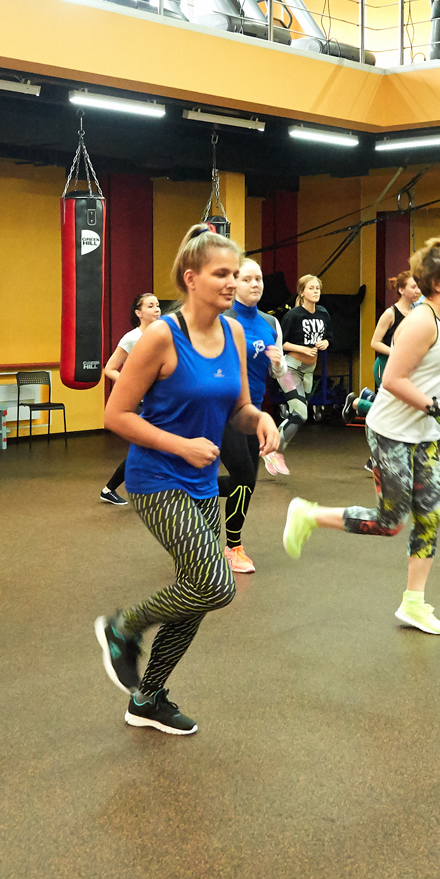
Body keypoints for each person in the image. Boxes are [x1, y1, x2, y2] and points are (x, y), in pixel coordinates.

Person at [93, 227, 279, 736]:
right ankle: (123, 627)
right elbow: (116, 415)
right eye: (222, 274)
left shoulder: (234, 333)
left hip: (200, 482)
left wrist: (260, 419)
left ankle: (147, 698)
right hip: (156, 479)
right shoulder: (161, 336)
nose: (232, 282)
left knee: (195, 592)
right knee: (216, 585)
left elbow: (238, 409)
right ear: (191, 279)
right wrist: (181, 446)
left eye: (236, 273)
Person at [282, 238, 440, 636]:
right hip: (391, 431)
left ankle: (413, 603)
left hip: (423, 432)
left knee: (430, 517)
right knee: (390, 522)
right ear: (438, 282)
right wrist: (439, 409)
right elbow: (393, 380)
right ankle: (308, 515)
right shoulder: (421, 321)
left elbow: (430, 378)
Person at [221, 259, 283, 573]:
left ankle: (189, 488)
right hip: (222, 411)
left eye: (258, 278)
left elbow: (278, 374)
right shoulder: (222, 320)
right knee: (244, 476)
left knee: (247, 481)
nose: (255, 284)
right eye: (247, 279)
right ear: (235, 283)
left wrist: (280, 365)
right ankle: (234, 547)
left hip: (253, 411)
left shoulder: (271, 323)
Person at [98, 292, 162, 505]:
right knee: (147, 447)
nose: (156, 309)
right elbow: (110, 368)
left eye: (157, 305)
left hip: (162, 400)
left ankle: (116, 489)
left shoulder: (164, 334)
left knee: (153, 447)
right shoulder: (132, 338)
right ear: (138, 313)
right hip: (143, 402)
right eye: (150, 306)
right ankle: (110, 489)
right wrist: (133, 385)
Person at [272, 274, 330, 471]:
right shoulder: (293, 316)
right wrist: (303, 349)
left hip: (309, 371)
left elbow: (329, 336)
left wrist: (325, 342)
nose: (315, 291)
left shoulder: (323, 313)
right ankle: (274, 451)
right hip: (291, 369)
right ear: (302, 292)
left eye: (318, 288)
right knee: (300, 413)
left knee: (296, 414)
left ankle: (272, 445)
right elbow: (281, 343)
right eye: (311, 288)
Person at [348, 272, 422, 423]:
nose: (418, 291)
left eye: (418, 287)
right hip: (385, 365)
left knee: (405, 407)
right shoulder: (390, 314)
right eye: (413, 287)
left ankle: (368, 398)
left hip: (405, 368)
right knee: (396, 409)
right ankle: (356, 403)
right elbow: (375, 343)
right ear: (401, 290)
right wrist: (396, 352)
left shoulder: (416, 313)